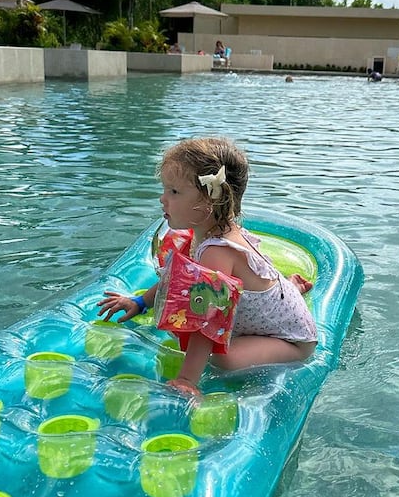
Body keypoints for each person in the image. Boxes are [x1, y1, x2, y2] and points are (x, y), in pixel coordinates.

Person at [97, 137, 317, 396]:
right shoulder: (203, 234)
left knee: (220, 359)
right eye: (165, 189)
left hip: (290, 341)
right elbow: (174, 277)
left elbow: (206, 322)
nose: (162, 199)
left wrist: (187, 379)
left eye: (174, 192)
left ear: (209, 202)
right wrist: (140, 302)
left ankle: (288, 300)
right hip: (261, 316)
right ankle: (287, 290)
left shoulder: (217, 251)